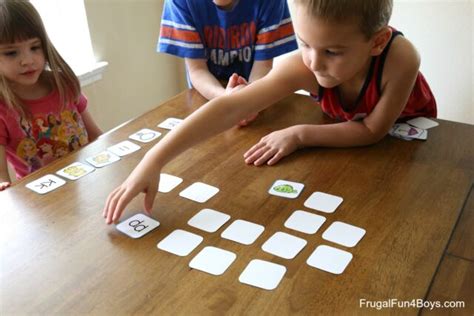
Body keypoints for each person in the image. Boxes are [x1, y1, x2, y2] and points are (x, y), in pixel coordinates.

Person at [104, 0, 437, 224]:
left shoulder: (402, 58)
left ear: (377, 42)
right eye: (304, 43)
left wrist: (299, 134)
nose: (314, 63)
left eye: (332, 51)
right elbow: (231, 106)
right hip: (344, 130)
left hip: (403, 139)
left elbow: (372, 131)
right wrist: (153, 159)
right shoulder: (307, 64)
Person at [0, 0, 102, 191]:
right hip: (43, 198)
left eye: (35, 47)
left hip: (90, 181)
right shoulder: (2, 107)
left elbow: (96, 134)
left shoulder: (64, 83)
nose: (27, 60)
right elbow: (1, 177)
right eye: (11, 53)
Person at [158, 0, 298, 100]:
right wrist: (226, 99)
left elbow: (263, 65)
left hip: (254, 92)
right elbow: (197, 70)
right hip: (205, 96)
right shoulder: (180, 3)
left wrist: (249, 99)